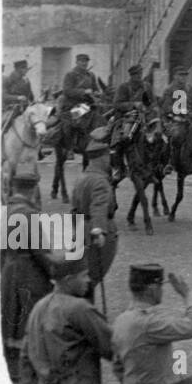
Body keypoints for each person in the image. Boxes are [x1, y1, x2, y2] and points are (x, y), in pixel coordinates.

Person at [20, 252, 114, 384]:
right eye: (84, 275)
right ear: (69, 279)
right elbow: (111, 346)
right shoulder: (80, 309)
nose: (88, 280)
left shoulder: (39, 307)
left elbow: (26, 352)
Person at [111, 264, 192, 384]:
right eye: (160, 286)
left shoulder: (121, 320)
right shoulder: (149, 322)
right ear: (152, 289)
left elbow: (118, 367)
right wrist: (187, 294)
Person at [1, 172, 53, 384]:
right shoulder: (29, 214)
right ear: (33, 190)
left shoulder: (5, 211)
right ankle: (24, 368)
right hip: (28, 272)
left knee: (10, 315)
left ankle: (9, 366)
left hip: (9, 270)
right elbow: (40, 251)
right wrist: (54, 271)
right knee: (27, 317)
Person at [71, 126, 118, 305]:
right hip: (98, 234)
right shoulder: (100, 181)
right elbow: (99, 206)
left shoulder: (82, 178)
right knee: (92, 277)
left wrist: (77, 231)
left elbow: (74, 209)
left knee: (84, 275)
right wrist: (98, 230)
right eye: (107, 156)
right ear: (101, 158)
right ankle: (84, 313)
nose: (109, 160)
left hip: (81, 231)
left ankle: (84, 309)